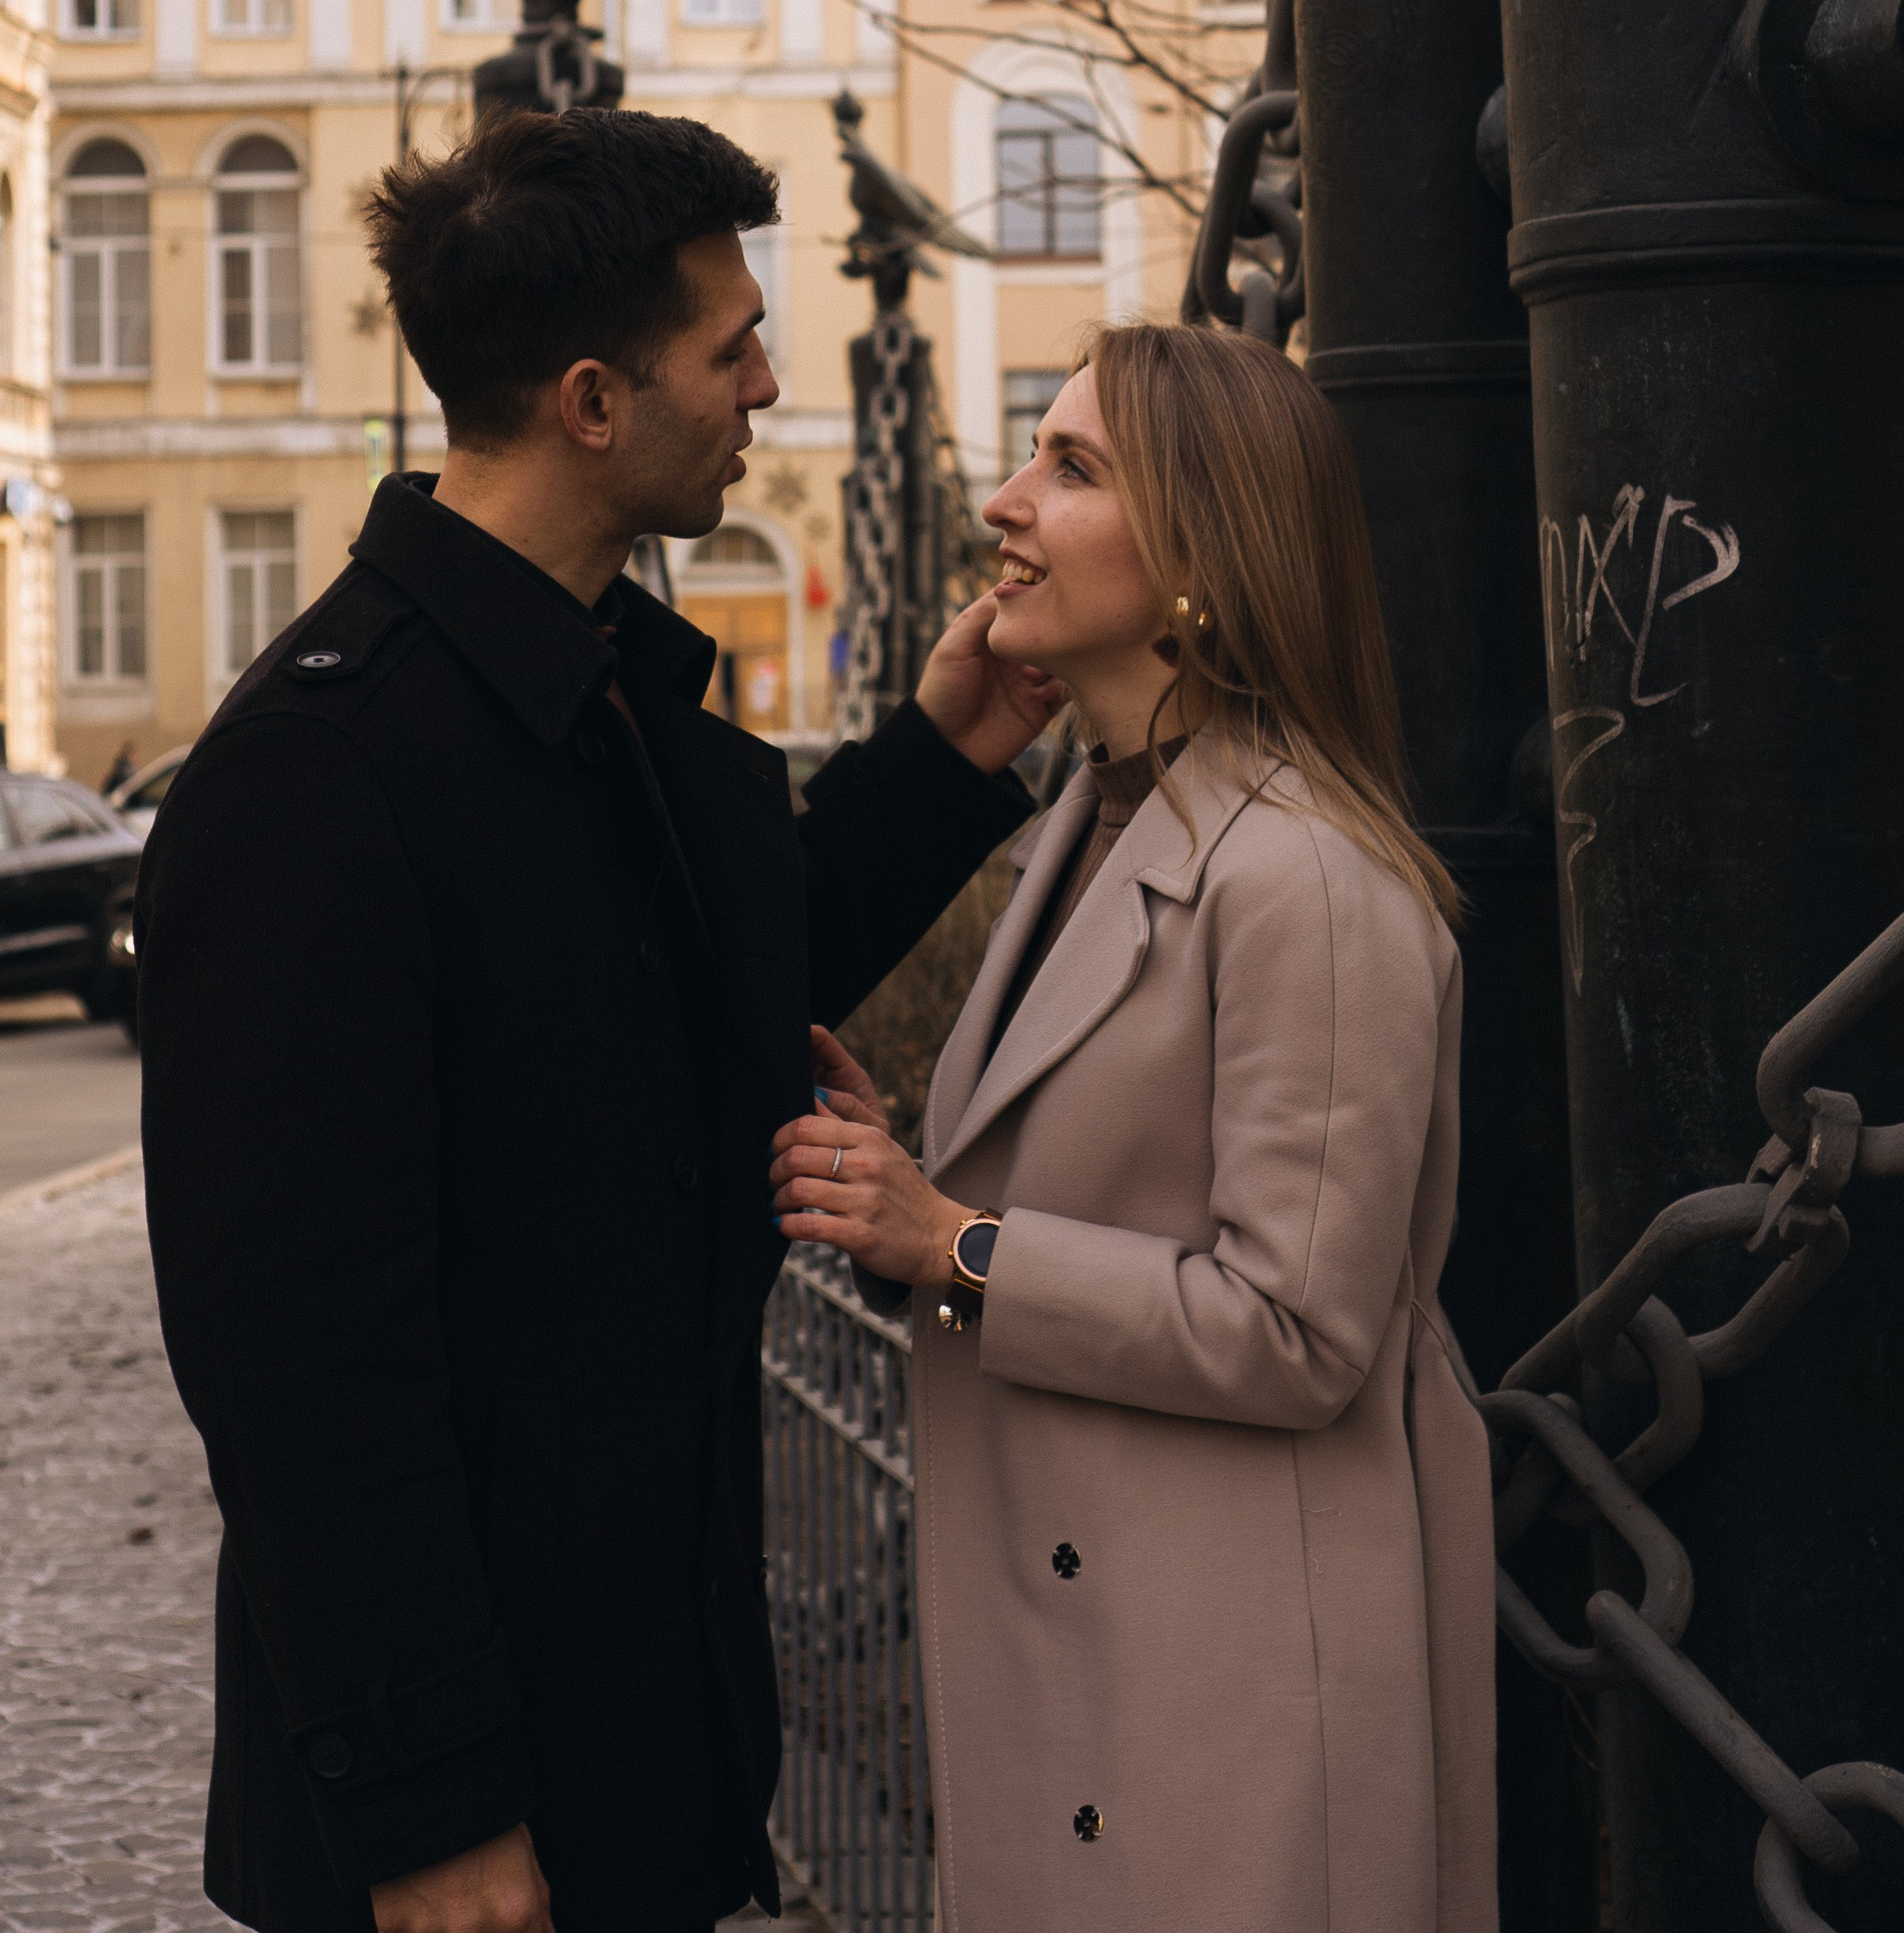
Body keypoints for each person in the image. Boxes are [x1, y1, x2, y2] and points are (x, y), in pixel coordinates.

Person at [137, 109, 1049, 1933]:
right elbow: (300, 1363)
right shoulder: (320, 767)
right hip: (468, 1826)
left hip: (643, 1740)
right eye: (731, 348)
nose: (767, 385)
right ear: (591, 402)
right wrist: (434, 1811)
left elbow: (704, 994)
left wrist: (952, 749)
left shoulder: (593, 690)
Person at [771, 321, 1498, 1933]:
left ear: (1205, 557)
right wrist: (911, 1195)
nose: (1006, 503)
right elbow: (1087, 1194)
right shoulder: (1089, 821)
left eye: (1073, 468)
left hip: (1219, 1717)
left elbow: (1298, 1330)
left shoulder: (1306, 876)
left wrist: (949, 1240)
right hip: (1086, 1668)